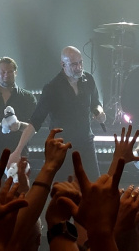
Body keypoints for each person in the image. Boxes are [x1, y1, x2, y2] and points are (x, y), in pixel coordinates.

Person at [9, 46, 106, 179]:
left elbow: (95, 102)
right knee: (60, 187)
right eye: (74, 64)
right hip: (61, 146)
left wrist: (100, 112)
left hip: (85, 142)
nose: (79, 67)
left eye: (80, 62)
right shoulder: (52, 88)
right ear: (63, 64)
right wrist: (18, 150)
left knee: (93, 184)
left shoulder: (88, 79)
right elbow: (36, 121)